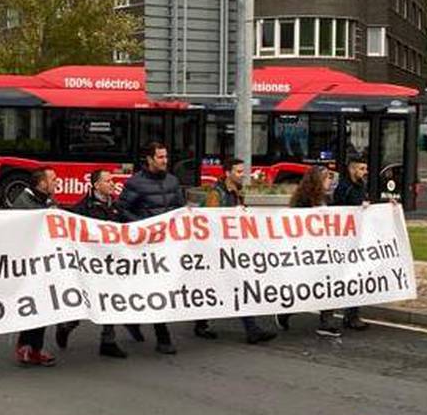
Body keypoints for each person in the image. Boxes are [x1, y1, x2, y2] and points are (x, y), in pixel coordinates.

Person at [196, 158, 278, 345]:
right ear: (227, 173)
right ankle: (251, 329)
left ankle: (202, 325)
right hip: (217, 251)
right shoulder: (216, 195)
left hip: (229, 249)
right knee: (232, 286)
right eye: (239, 172)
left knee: (215, 286)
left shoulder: (236, 193)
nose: (243, 175)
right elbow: (209, 222)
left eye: (243, 171)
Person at [116, 142, 184, 354]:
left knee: (153, 288)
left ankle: (132, 320)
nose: (165, 160)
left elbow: (179, 209)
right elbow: (122, 209)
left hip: (166, 245)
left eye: (166, 157)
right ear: (149, 159)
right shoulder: (136, 183)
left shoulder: (173, 181)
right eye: (161, 157)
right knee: (153, 288)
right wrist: (142, 228)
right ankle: (163, 337)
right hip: (144, 246)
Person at [57, 169, 130, 358]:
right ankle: (67, 326)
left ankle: (108, 340)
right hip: (90, 264)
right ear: (96, 185)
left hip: (111, 262)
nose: (113, 184)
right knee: (87, 301)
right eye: (108, 181)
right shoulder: (83, 208)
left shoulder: (116, 205)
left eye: (113, 181)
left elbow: (129, 224)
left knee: (111, 300)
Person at [10, 167, 59, 366]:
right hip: (29, 263)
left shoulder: (47, 201)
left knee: (44, 306)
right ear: (41, 183)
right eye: (53, 179)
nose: (57, 182)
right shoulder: (24, 203)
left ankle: (33, 347)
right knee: (34, 306)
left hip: (44, 262)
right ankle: (27, 346)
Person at [288, 166, 340, 337]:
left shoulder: (327, 199)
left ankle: (326, 321)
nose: (330, 181)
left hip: (324, 251)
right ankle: (284, 312)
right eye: (326, 178)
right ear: (317, 181)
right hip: (307, 251)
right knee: (305, 288)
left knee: (329, 284)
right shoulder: (302, 201)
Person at [329, 156, 371, 332]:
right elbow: (339, 212)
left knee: (355, 277)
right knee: (337, 279)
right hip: (343, 241)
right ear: (352, 169)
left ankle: (352, 315)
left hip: (356, 238)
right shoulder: (343, 188)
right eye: (361, 168)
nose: (365, 172)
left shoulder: (361, 185)